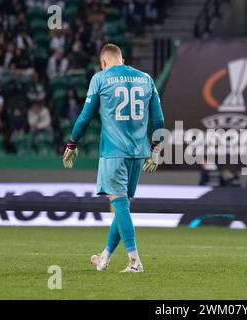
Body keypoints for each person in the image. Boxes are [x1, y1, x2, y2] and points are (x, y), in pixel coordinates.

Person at [62, 43, 164, 273]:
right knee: (123, 207)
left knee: (119, 205)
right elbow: (159, 120)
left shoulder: (100, 78)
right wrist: (156, 150)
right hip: (139, 154)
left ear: (104, 62)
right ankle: (104, 258)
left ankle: (135, 261)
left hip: (114, 152)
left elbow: (86, 116)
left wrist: (72, 142)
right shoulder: (146, 78)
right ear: (122, 58)